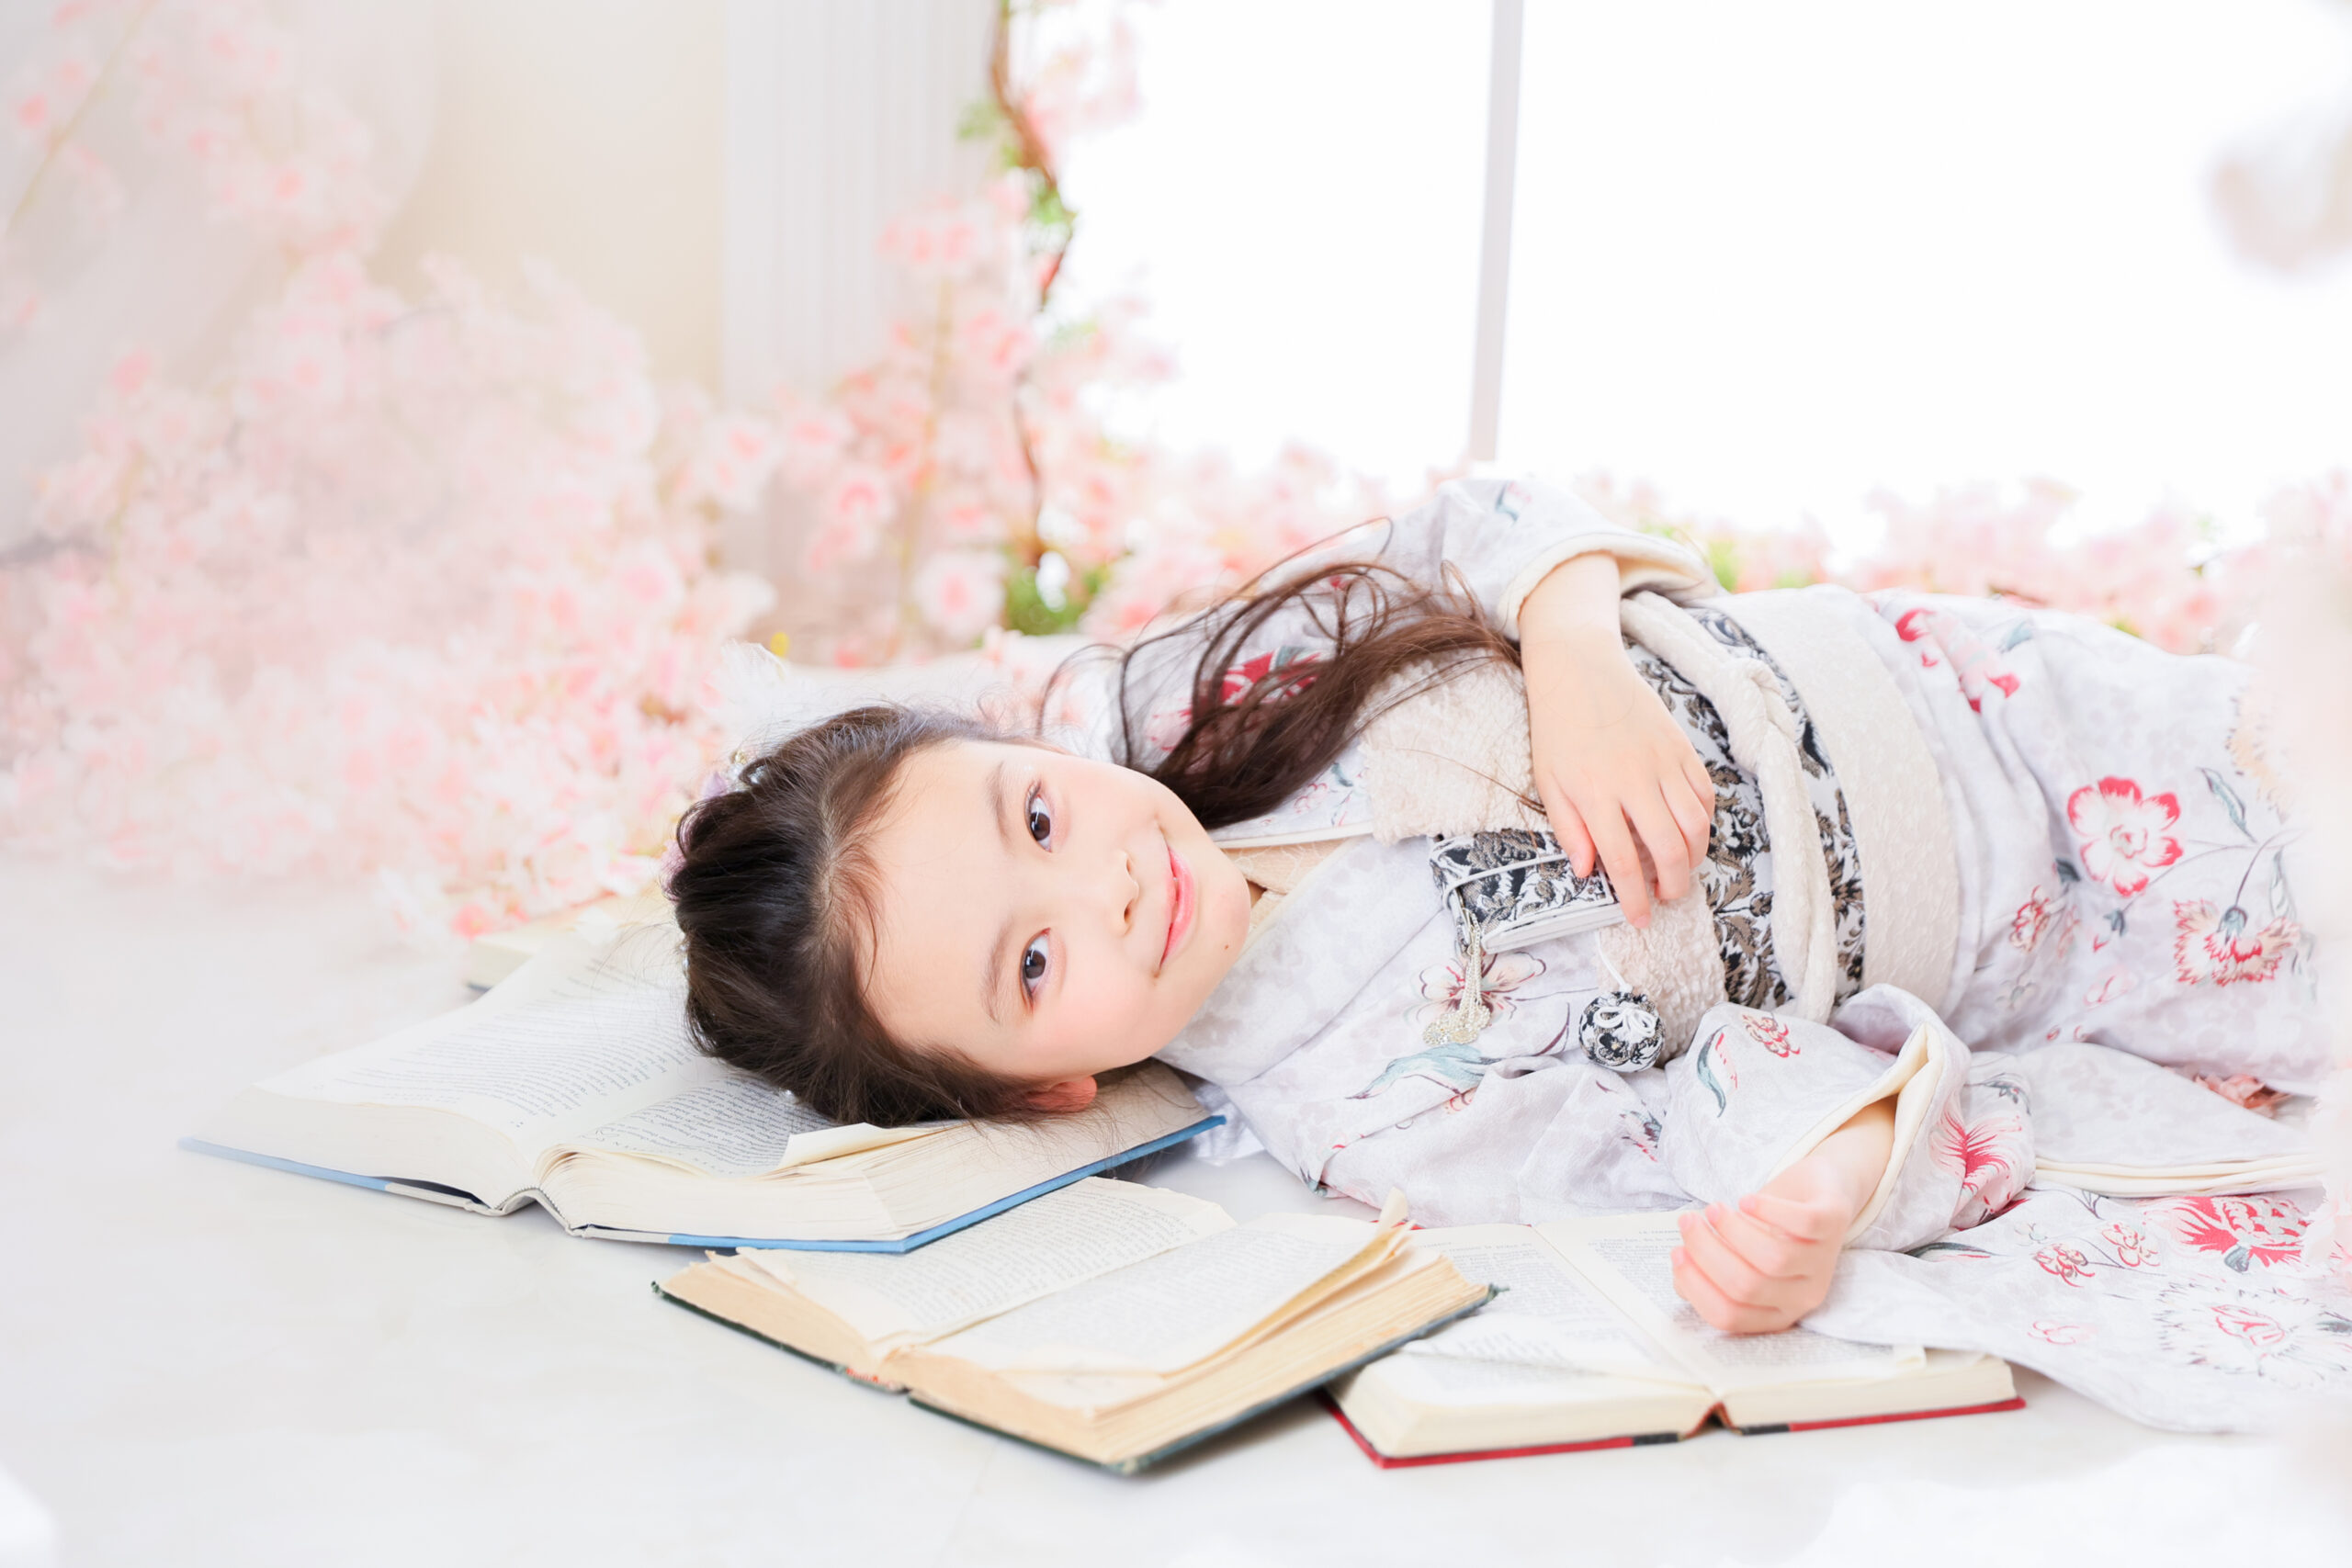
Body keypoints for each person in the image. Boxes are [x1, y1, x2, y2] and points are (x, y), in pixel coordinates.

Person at [668, 477, 2327, 1337]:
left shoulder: (1199, 702)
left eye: (1036, 814)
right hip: (2049, 939)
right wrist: (1820, 1177)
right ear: (1047, 1088)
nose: (1099, 880)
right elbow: (1674, 1118)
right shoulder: (1371, 1117)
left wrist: (1576, 654)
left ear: (1026, 748)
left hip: (1967, 689)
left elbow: (1480, 525)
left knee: (2300, 737)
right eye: (1034, 964)